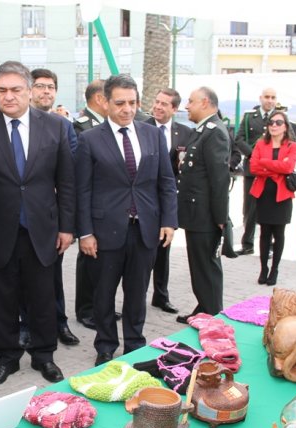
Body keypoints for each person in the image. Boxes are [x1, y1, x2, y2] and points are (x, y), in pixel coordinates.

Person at [0, 60, 75, 387]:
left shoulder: (54, 126)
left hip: (43, 228)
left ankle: (44, 356)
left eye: (15, 90)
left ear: (29, 90)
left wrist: (67, 227)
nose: (8, 96)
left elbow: (66, 181)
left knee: (43, 295)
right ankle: (6, 358)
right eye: (1, 90)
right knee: (1, 298)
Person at [76, 74, 177, 366]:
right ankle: (105, 346)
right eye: (120, 103)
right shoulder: (89, 140)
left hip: (145, 229)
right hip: (104, 232)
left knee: (137, 292)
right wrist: (85, 233)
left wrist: (169, 221)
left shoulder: (153, 135)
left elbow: (166, 182)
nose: (127, 109)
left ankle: (135, 343)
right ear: (105, 102)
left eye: (132, 103)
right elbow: (82, 190)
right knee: (104, 293)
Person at [25, 67, 79, 347]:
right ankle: (24, 324)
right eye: (40, 86)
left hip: (50, 215)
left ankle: (59, 322)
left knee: (52, 274)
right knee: (20, 275)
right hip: (20, 216)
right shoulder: (17, 123)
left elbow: (69, 170)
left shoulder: (63, 126)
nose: (46, 91)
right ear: (29, 89)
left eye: (51, 87)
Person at [177, 87, 231, 324]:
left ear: (205, 103)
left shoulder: (214, 132)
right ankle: (204, 307)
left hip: (205, 214)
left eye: (191, 101)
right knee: (198, 265)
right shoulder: (202, 131)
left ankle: (212, 314)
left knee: (206, 266)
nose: (187, 106)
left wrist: (220, 218)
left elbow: (219, 179)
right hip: (194, 212)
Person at [146, 88, 192, 315]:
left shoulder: (184, 132)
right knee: (143, 249)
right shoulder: (141, 127)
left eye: (164, 104)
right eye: (157, 102)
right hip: (144, 198)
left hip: (167, 197)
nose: (158, 107)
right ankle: (137, 295)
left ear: (174, 109)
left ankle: (161, 296)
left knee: (164, 248)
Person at [73, 79, 108, 331]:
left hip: (107, 205)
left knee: (102, 261)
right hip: (89, 201)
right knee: (88, 259)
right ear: (99, 99)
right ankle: (85, 309)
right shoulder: (81, 127)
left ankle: (99, 306)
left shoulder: (107, 126)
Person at [249, 110, 296, 286]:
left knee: (279, 233)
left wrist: (266, 164)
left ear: (285, 126)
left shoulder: (292, 146)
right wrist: (277, 166)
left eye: (278, 122)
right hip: (263, 194)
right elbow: (253, 167)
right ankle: (263, 268)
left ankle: (274, 269)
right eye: (271, 122)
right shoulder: (261, 144)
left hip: (282, 195)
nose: (274, 125)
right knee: (264, 233)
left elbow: (288, 168)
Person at [233, 88, 278, 255]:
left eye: (273, 97)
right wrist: (253, 154)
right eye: (267, 97)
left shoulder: (280, 118)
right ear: (261, 98)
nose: (270, 100)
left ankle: (271, 244)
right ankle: (247, 243)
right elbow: (239, 139)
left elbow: (289, 140)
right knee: (250, 207)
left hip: (273, 169)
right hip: (253, 168)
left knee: (272, 207)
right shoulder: (250, 117)